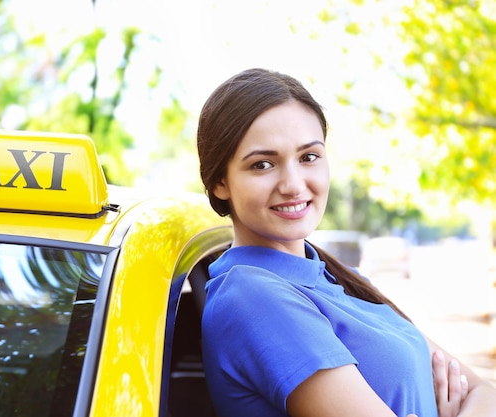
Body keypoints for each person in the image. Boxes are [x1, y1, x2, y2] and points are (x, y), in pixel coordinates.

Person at [196, 68, 496, 417]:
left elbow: (483, 390)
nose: (293, 184)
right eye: (263, 164)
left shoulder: (340, 277)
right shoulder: (252, 296)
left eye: (309, 157)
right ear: (219, 181)